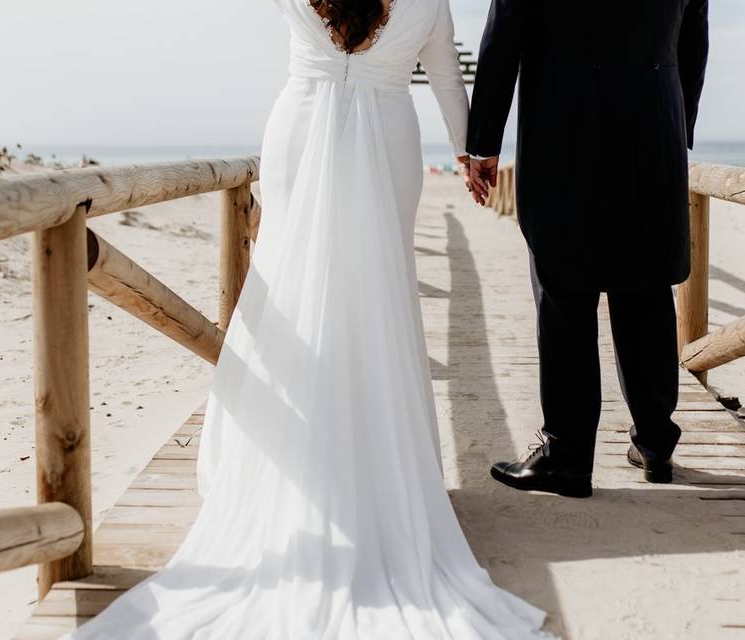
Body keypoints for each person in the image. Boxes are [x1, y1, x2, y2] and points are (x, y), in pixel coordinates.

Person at [63, 0, 552, 637]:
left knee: (287, 290)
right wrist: (471, 152)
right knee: (376, 294)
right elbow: (445, 79)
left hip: (298, 128)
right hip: (389, 136)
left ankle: (292, 454)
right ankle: (378, 468)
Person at [466, 0, 709, 498]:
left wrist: (484, 142)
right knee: (645, 286)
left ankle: (568, 457)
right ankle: (656, 441)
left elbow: (503, 36)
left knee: (564, 292)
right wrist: (677, 124)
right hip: (652, 127)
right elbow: (694, 39)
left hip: (564, 130)